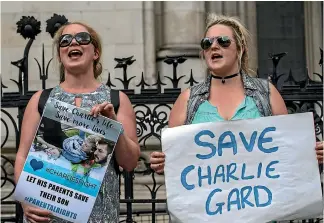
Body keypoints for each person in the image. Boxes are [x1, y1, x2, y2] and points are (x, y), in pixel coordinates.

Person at [150, 13, 323, 174]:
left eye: (223, 41)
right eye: (207, 43)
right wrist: (163, 162)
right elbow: (175, 158)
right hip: (206, 203)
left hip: (258, 202)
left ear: (241, 48)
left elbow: (288, 148)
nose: (214, 46)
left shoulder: (266, 93)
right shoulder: (188, 99)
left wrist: (313, 153)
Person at [14, 21, 140, 223]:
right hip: (47, 217)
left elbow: (130, 162)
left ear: (95, 52)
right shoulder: (41, 100)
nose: (73, 43)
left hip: (102, 217)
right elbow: (22, 156)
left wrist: (113, 125)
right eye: (65, 41)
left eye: (82, 38)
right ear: (60, 55)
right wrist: (25, 200)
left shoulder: (117, 100)